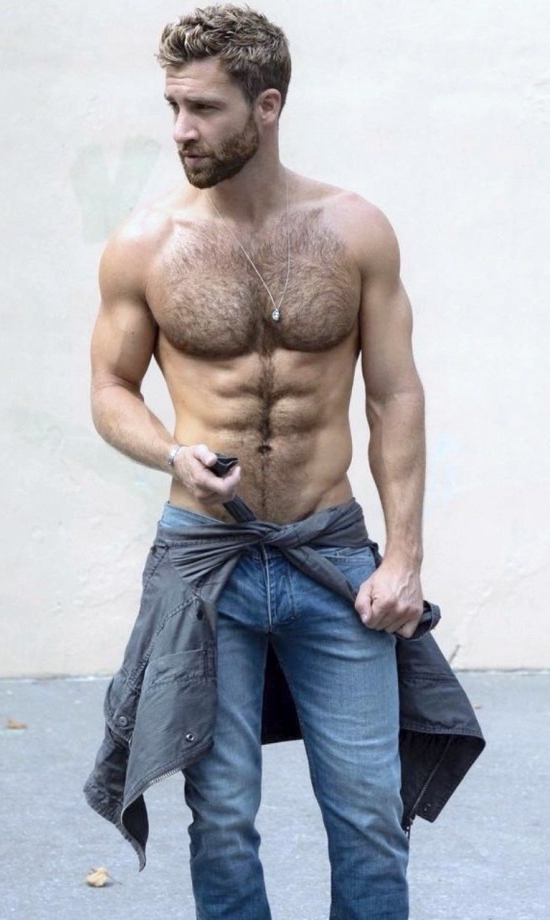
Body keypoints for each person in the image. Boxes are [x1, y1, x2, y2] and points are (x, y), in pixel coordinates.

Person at [85, 6, 483, 919]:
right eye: (173, 106)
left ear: (266, 107)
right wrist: (172, 453)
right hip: (207, 556)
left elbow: (395, 395)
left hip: (328, 551)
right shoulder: (145, 243)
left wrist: (404, 557)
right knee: (221, 815)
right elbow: (109, 388)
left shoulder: (354, 230)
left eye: (204, 108)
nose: (181, 130)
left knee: (370, 810)